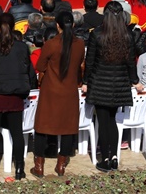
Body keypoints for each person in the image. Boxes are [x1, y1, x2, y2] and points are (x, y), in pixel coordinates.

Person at [83, 5, 139, 173]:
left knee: (103, 121)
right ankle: (114, 156)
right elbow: (131, 62)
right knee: (112, 120)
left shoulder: (97, 34)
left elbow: (89, 61)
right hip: (119, 83)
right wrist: (135, 80)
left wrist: (85, 81)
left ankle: (105, 159)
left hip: (100, 82)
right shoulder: (127, 35)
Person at [0, 12, 35, 181]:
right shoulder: (22, 47)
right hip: (14, 94)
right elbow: (29, 71)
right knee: (17, 133)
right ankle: (19, 169)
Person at [32, 12, 85, 178]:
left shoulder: (51, 44)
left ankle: (39, 166)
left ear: (57, 26)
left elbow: (40, 66)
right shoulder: (79, 44)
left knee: (42, 126)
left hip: (51, 90)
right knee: (68, 127)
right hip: (69, 90)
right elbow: (79, 64)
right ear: (73, 25)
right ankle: (61, 164)